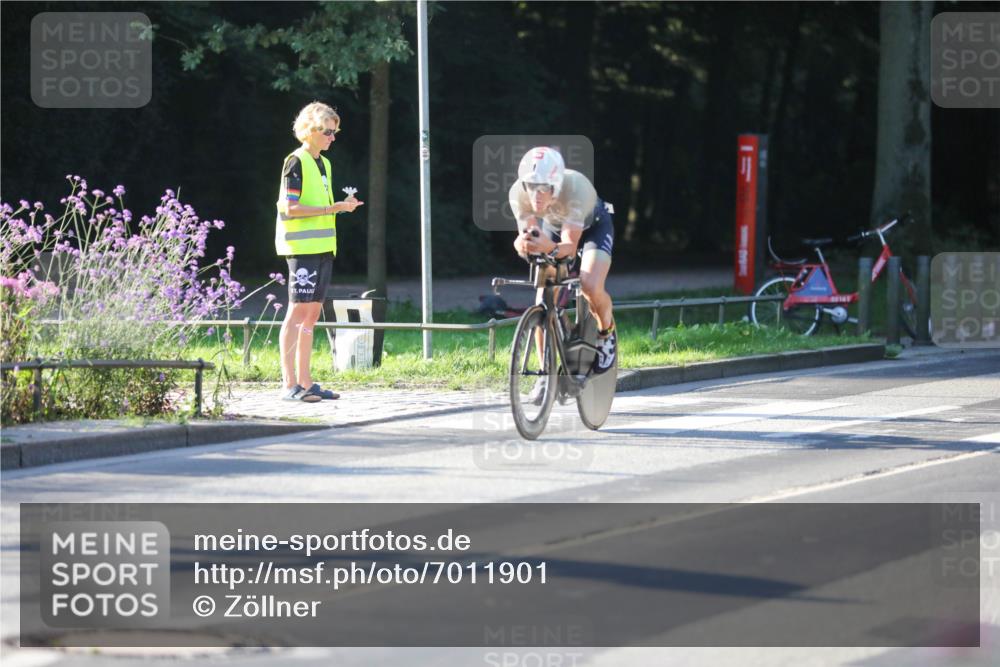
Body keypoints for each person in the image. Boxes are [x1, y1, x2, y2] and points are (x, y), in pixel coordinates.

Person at [509, 146, 616, 402]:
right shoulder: (518, 193)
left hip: (593, 228)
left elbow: (568, 246)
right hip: (555, 227)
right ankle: (545, 374)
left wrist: (550, 248)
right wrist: (522, 244)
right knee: (542, 298)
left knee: (590, 284)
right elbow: (530, 235)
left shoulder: (576, 189)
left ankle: (606, 333)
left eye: (543, 188)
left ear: (556, 186)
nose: (536, 195)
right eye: (531, 186)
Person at [275, 102, 364, 402]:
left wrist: (340, 207)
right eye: (327, 132)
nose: (332, 137)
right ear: (309, 130)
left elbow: (321, 206)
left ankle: (306, 381)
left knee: (311, 316)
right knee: (297, 313)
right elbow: (291, 208)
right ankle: (289, 385)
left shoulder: (324, 163)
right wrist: (331, 208)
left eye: (335, 132)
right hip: (302, 249)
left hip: (324, 247)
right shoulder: (295, 161)